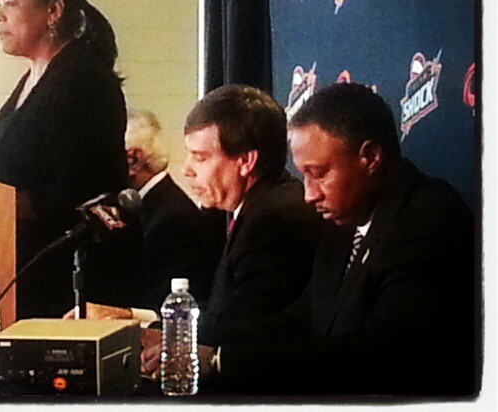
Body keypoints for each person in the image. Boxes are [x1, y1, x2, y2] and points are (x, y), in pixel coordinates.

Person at [148, 83, 475, 396]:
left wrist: (221, 362)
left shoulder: (428, 217)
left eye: (318, 173)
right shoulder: (343, 221)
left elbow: (381, 353)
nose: (307, 194)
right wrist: (188, 344)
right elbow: (302, 319)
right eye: (303, 174)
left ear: (371, 157)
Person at [78, 85, 323, 344]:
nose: (186, 169)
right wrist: (131, 317)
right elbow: (221, 314)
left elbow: (239, 328)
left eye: (200, 157)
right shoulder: (255, 208)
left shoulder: (274, 219)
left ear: (245, 162)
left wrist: (145, 331)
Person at [0, 0, 129, 319]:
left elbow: (80, 192)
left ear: (53, 11)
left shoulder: (82, 81)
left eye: (10, 3)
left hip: (58, 288)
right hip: (13, 272)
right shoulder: (36, 77)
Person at [125, 108, 221, 309]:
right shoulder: (153, 207)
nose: (186, 169)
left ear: (133, 159)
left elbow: (162, 310)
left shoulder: (172, 219)